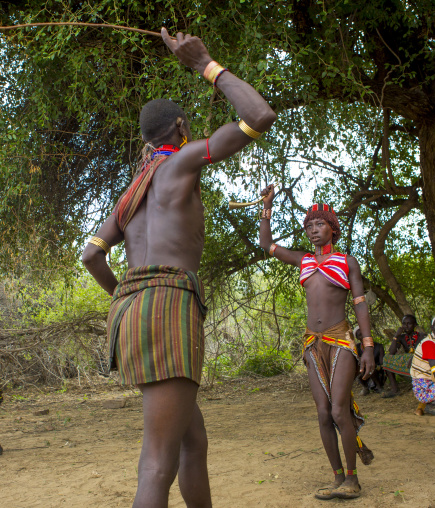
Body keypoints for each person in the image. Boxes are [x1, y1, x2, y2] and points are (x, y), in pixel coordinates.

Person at [82, 30, 276, 508]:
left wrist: (130, 299)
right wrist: (206, 64)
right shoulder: (183, 160)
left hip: (131, 310)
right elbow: (259, 115)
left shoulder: (130, 193)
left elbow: (91, 255)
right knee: (157, 460)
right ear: (181, 128)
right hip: (168, 304)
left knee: (193, 442)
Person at [259, 191, 375, 500]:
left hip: (341, 340)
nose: (313, 229)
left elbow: (360, 305)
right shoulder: (303, 260)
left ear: (333, 229)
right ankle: (338, 477)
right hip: (312, 343)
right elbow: (266, 245)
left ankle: (353, 479)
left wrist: (368, 347)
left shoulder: (347, 262)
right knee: (323, 413)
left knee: (339, 411)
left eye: (320, 224)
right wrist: (267, 208)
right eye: (309, 225)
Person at [382, 314, 425, 398]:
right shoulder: (401, 337)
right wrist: (396, 336)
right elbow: (391, 352)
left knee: (411, 357)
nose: (406, 326)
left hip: (420, 362)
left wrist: (414, 356)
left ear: (415, 325)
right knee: (386, 358)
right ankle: (395, 390)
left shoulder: (422, 336)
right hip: (408, 363)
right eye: (404, 324)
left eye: (409, 324)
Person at [354, 326, 385, 395]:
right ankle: (365, 387)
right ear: (357, 338)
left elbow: (382, 363)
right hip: (363, 371)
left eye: (364, 333)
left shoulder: (379, 346)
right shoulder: (357, 348)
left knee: (370, 366)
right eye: (360, 335)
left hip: (377, 370)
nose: (363, 336)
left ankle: (379, 387)